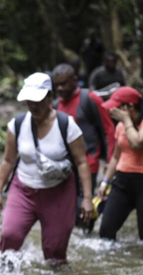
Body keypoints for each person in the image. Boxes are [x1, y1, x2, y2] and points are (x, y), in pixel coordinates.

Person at [0, 73, 93, 266]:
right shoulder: (17, 125)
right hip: (23, 190)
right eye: (28, 100)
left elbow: (81, 162)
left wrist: (87, 199)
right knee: (10, 236)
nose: (32, 105)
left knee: (55, 252)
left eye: (37, 100)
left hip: (59, 193)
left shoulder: (66, 125)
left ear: (50, 98)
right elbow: (8, 160)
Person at [51, 63, 116, 233]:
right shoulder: (56, 105)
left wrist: (109, 161)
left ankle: (87, 234)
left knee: (83, 204)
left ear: (75, 80)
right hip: (65, 166)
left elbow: (108, 129)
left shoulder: (89, 98)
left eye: (64, 83)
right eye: (57, 85)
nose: (60, 88)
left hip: (89, 162)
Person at [98, 87, 143, 243]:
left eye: (117, 107)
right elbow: (116, 157)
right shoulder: (121, 126)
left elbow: (138, 142)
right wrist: (104, 182)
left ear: (129, 107)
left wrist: (126, 120)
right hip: (122, 181)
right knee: (106, 230)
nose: (112, 110)